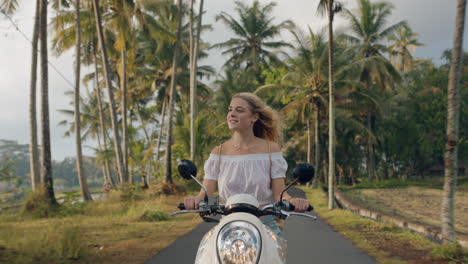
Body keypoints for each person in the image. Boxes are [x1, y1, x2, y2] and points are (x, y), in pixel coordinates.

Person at [183, 92, 310, 237]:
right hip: (228, 228)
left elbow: (279, 195)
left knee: (274, 258)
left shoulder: (270, 150)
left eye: (240, 110)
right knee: (205, 256)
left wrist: (293, 201)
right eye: (230, 110)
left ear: (254, 117)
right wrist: (194, 200)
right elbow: (205, 194)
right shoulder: (218, 153)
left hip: (265, 225)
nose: (232, 114)